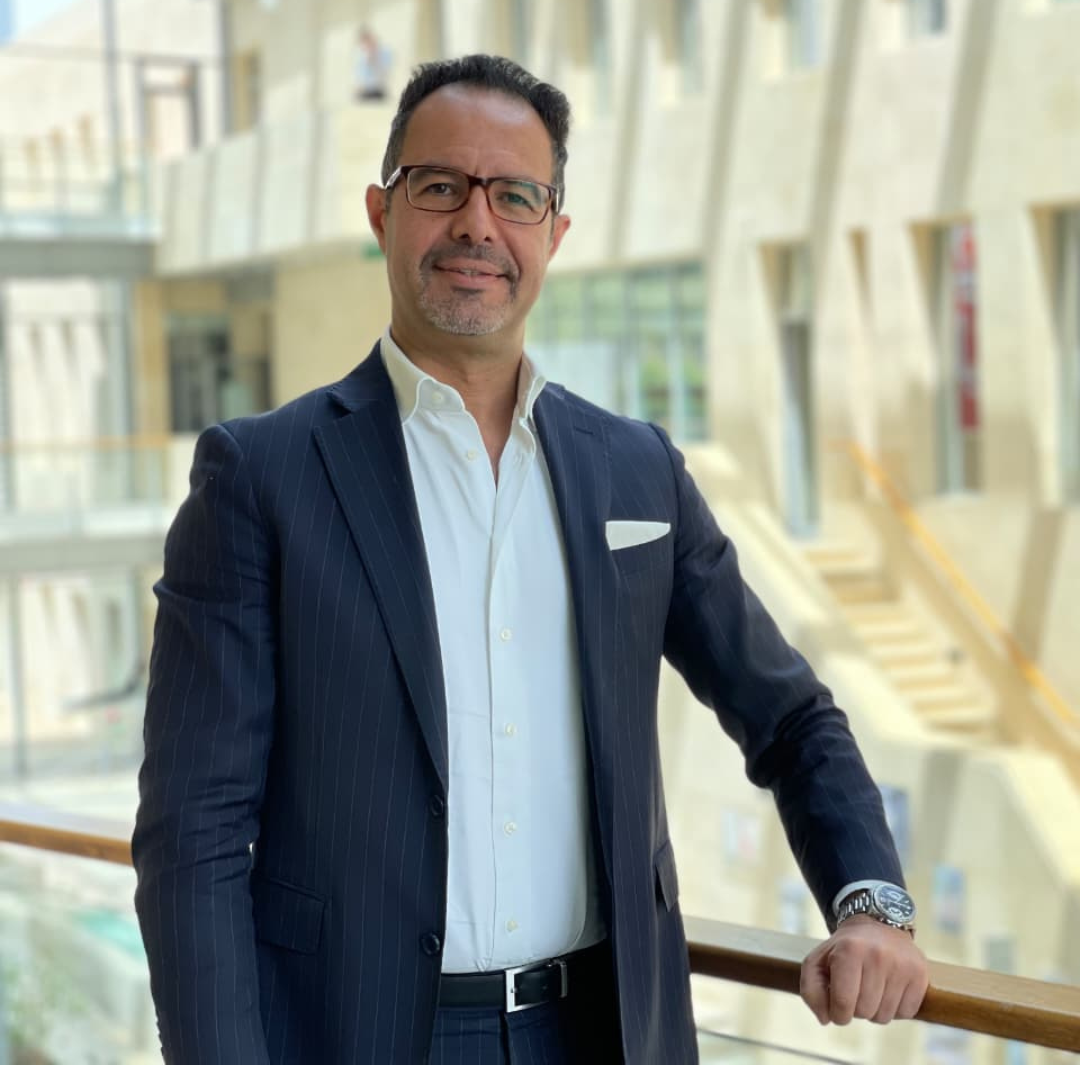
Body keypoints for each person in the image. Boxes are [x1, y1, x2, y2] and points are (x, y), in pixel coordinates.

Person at [132, 54, 930, 1065]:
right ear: (382, 213)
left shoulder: (636, 470)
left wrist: (871, 904)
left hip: (606, 1031)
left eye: (515, 196)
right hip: (357, 1036)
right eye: (440, 186)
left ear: (554, 233)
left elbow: (790, 716)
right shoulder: (260, 477)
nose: (477, 224)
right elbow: (193, 835)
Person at [354, 26, 391, 101]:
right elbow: (359, 77)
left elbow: (385, 75)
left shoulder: (385, 53)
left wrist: (374, 59)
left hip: (378, 91)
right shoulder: (361, 55)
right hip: (364, 92)